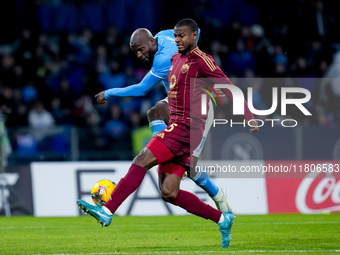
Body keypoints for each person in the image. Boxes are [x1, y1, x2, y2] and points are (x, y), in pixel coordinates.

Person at [78, 18, 258, 248]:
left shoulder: (177, 59)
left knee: (143, 159)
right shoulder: (172, 51)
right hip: (178, 114)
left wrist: (248, 115)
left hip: (188, 123)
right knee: (169, 192)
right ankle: (223, 218)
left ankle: (107, 210)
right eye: (176, 36)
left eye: (182, 36)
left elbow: (143, 88)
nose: (177, 40)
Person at [95, 27, 231, 212]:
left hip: (199, 108)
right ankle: (169, 153)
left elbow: (142, 89)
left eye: (140, 49)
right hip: (179, 102)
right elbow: (197, 30)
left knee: (190, 167)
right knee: (155, 112)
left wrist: (109, 93)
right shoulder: (164, 35)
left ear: (151, 42)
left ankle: (217, 194)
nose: (139, 55)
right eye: (136, 52)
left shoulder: (162, 60)